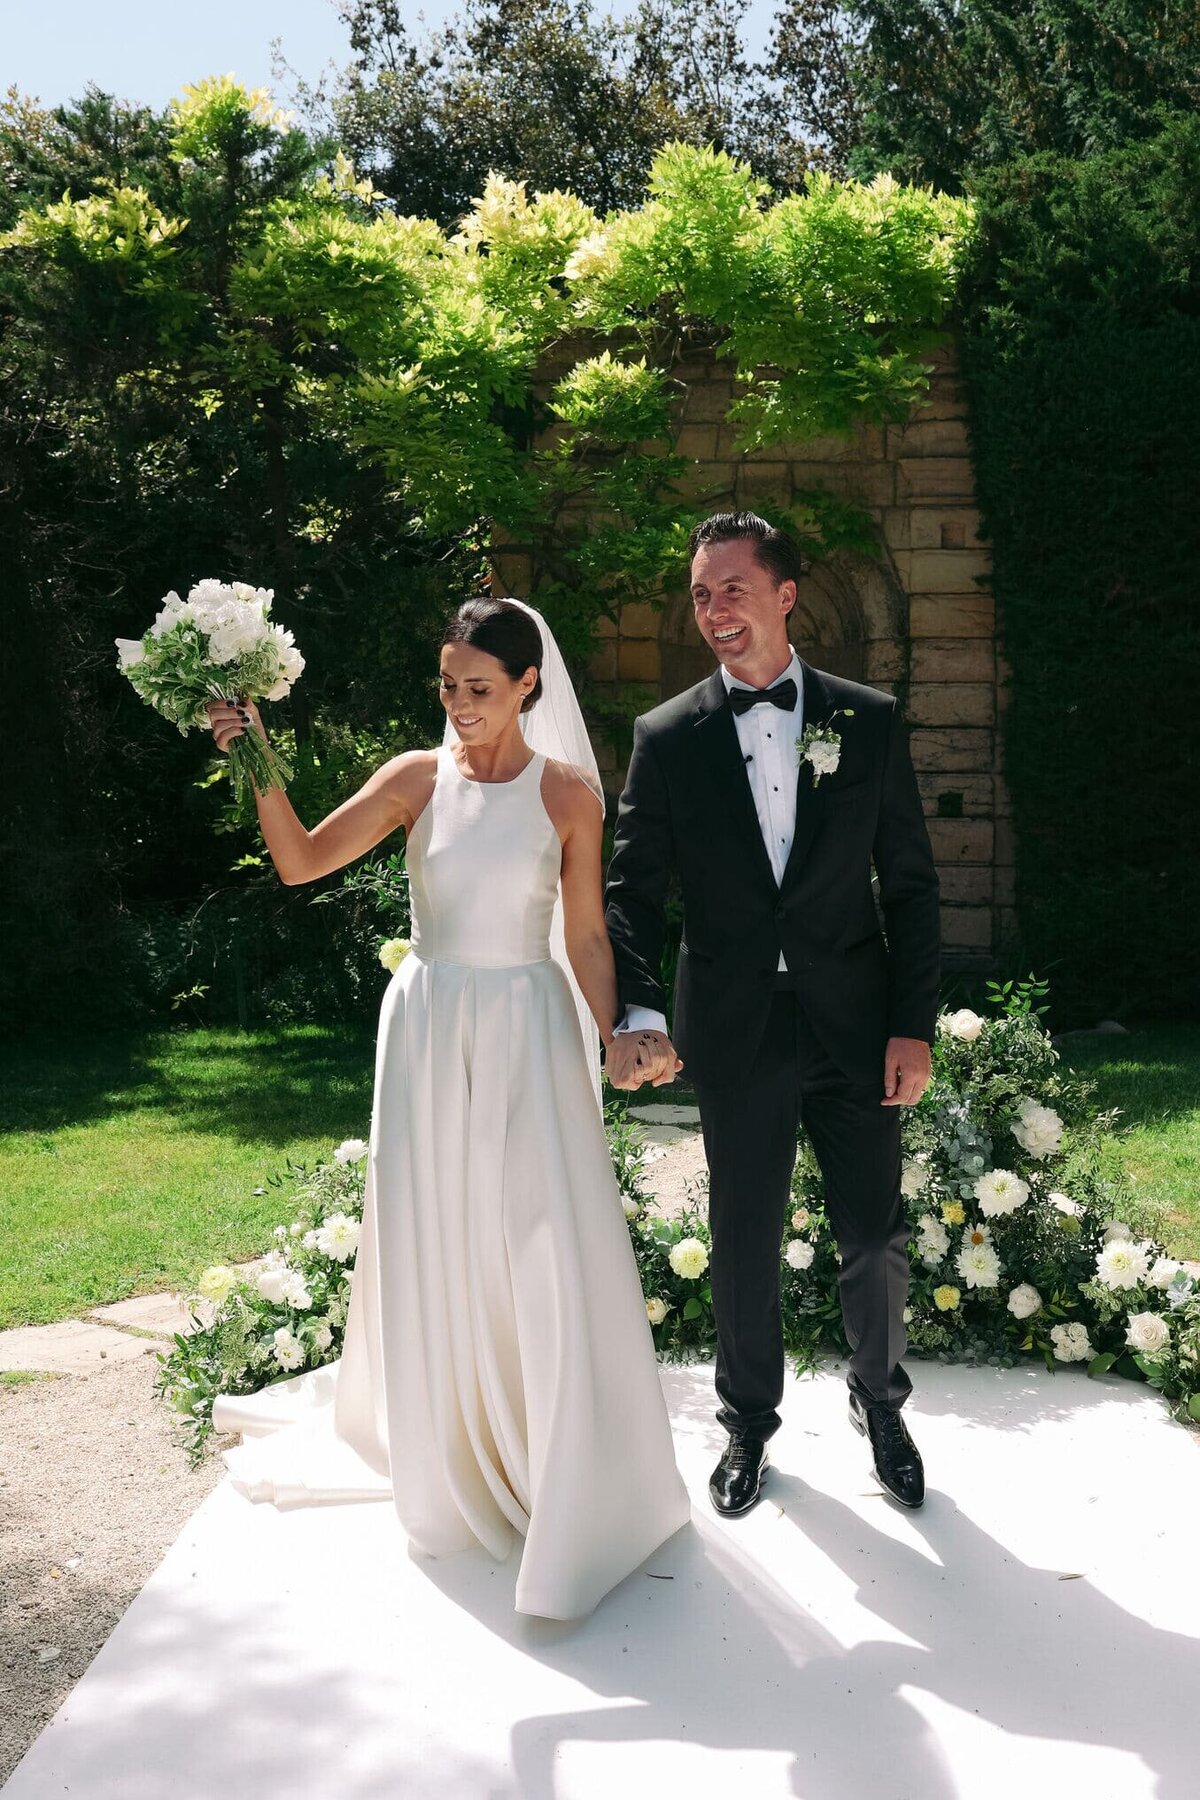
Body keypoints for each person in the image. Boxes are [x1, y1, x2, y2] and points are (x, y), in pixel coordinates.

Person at [205, 596, 689, 1620]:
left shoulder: (568, 798)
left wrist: (620, 1033)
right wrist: (255, 760)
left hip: (528, 1027)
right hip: (428, 1028)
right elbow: (297, 860)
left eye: (479, 688)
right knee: (441, 1231)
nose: (459, 704)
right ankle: (445, 1439)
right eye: (448, 685)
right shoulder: (413, 780)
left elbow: (590, 938)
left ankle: (551, 1450)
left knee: (538, 1237)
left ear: (526, 687)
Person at [604, 512, 940, 1516]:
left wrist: (912, 1024)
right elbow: (633, 892)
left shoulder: (864, 721)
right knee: (742, 1232)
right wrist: (642, 1009)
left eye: (733, 589)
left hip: (854, 1019)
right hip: (737, 1024)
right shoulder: (667, 739)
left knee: (872, 1236)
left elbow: (912, 885)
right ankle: (748, 1425)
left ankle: (881, 1403)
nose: (715, 611)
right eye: (702, 594)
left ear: (785, 595)